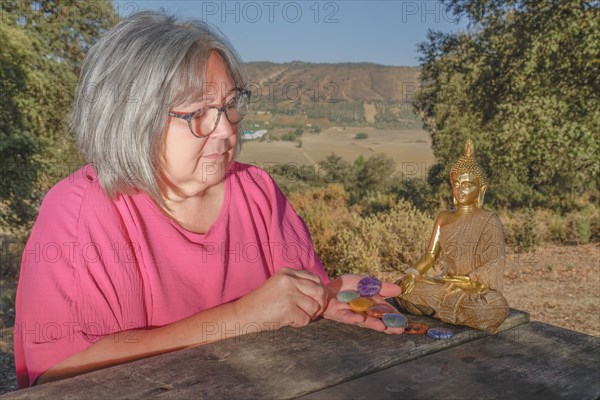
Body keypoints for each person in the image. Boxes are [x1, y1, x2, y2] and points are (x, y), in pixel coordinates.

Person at [13, 11, 403, 389]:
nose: (225, 131)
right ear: (129, 118)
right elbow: (57, 374)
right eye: (198, 113)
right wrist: (241, 317)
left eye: (230, 105)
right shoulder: (80, 210)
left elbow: (294, 308)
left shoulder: (259, 192)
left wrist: (328, 298)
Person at [395, 139, 509, 332]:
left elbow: (496, 259)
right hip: (446, 283)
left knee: (495, 307)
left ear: (481, 189)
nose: (460, 189)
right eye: (456, 183)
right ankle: (454, 311)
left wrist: (471, 278)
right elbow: (430, 255)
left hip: (474, 288)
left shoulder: (489, 219)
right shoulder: (444, 217)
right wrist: (412, 275)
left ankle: (442, 309)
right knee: (402, 289)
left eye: (467, 184)